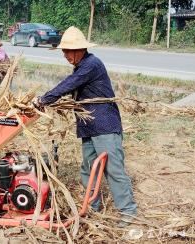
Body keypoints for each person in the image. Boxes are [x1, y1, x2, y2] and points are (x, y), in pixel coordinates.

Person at [33, 26, 137, 228]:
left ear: (79, 49)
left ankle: (128, 212)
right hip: (89, 126)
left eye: (67, 51)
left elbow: (68, 85)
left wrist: (43, 100)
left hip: (105, 124)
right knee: (88, 169)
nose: (64, 56)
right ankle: (93, 208)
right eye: (63, 52)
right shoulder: (82, 66)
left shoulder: (91, 65)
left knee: (114, 169)